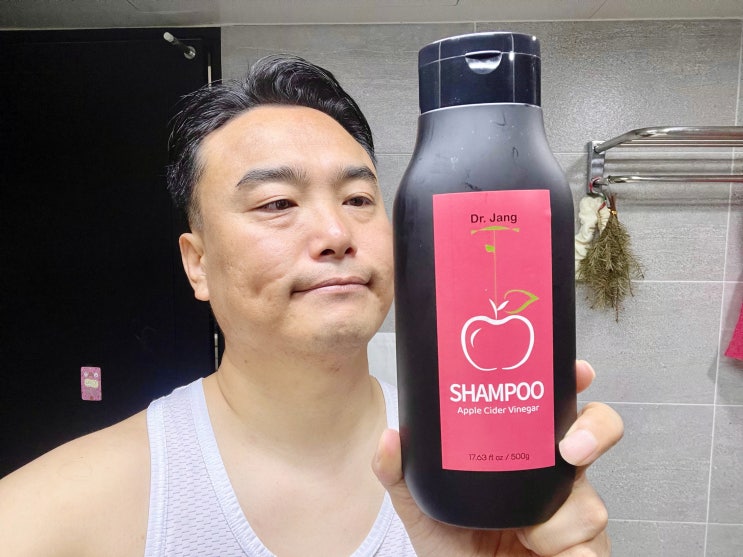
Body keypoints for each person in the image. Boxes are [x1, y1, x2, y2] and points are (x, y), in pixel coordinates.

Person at [0, 54, 623, 556]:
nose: (336, 233)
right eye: (277, 203)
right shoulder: (60, 508)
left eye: (358, 199)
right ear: (197, 263)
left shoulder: (485, 472)